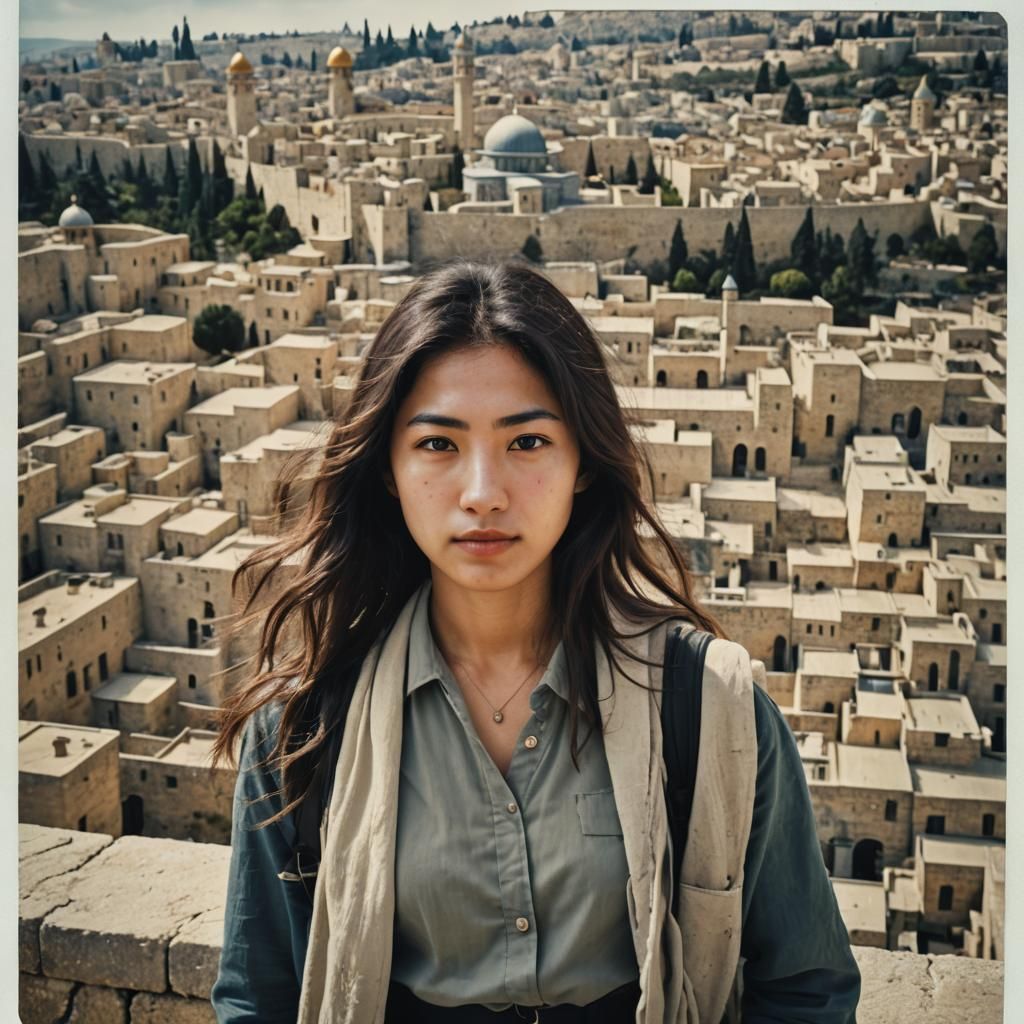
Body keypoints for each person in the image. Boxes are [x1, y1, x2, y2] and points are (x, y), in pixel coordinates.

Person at [209, 259, 861, 1023]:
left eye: (527, 443)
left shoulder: (711, 713)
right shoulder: (302, 733)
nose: (483, 491)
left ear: (583, 460)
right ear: (387, 468)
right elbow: (258, 999)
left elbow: (806, 988)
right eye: (438, 445)